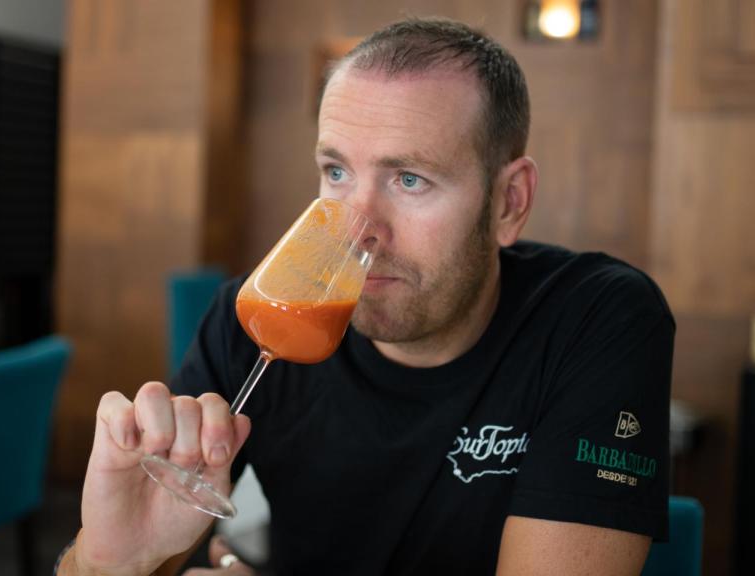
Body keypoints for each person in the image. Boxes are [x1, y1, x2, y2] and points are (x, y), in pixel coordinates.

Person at [57, 16, 673, 576]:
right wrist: (112, 562)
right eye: (337, 173)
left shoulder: (597, 318)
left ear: (509, 202)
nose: (359, 229)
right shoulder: (248, 323)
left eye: (409, 179)